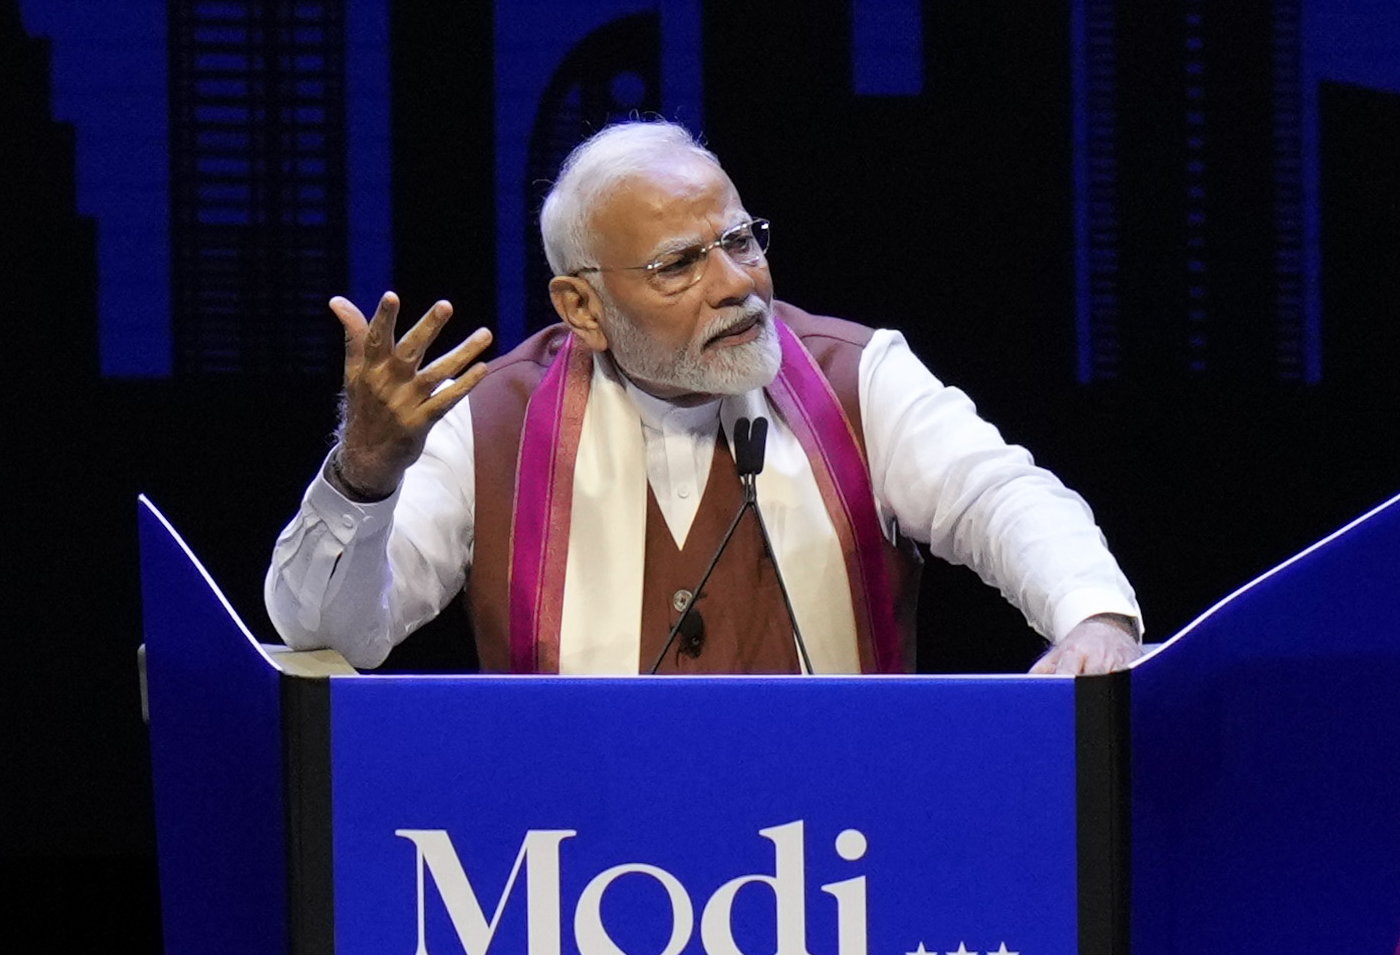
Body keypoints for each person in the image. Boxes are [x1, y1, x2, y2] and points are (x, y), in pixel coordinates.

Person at [264, 120, 1140, 676]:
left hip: (838, 873)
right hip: (574, 884)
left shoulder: (856, 376)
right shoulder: (490, 421)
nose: (736, 285)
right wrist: (364, 475)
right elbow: (331, 636)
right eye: (681, 263)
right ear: (582, 308)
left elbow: (1004, 497)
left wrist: (1093, 620)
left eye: (740, 240)